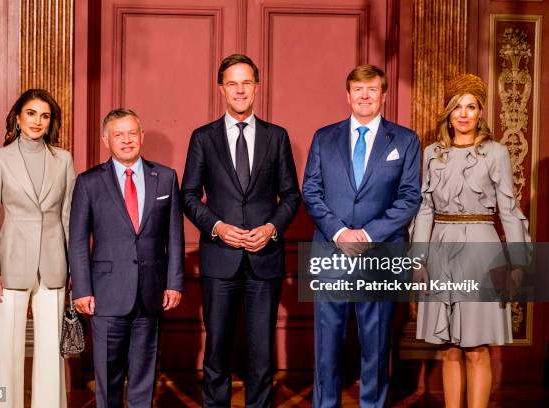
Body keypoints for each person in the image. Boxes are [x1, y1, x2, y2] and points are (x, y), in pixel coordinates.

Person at [181, 54, 300, 407]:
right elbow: (188, 195)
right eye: (232, 83)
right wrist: (216, 227)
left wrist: (271, 229)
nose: (240, 89)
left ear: (257, 87)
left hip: (265, 258)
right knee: (217, 346)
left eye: (246, 82)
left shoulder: (277, 137)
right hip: (220, 258)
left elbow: (292, 195)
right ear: (222, 89)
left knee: (261, 349)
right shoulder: (202, 138)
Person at [302, 64, 421, 407]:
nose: (365, 96)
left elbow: (410, 196)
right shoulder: (324, 137)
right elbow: (311, 191)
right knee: (326, 348)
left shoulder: (405, 140)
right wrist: (339, 232)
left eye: (372, 89)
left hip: (380, 254)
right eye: (358, 89)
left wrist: (367, 234)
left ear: (383, 95)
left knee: (377, 344)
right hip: (330, 253)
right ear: (348, 95)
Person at [410, 74, 530, 408]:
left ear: (480, 113)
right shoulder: (432, 153)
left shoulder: (496, 153)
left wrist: (518, 262)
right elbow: (424, 208)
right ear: (448, 113)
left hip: (481, 249)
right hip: (441, 247)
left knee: (476, 348)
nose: (463, 114)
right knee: (448, 346)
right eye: (457, 107)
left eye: (471, 107)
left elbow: (508, 208)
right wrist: (418, 259)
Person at [69, 109, 184, 408]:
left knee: (145, 374)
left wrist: (174, 284)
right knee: (107, 375)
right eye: (118, 134)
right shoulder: (88, 182)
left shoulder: (166, 178)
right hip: (106, 293)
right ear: (106, 140)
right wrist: (81, 289)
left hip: (151, 291)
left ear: (142, 136)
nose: (127, 140)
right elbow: (79, 241)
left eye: (132, 133)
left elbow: (175, 236)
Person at [0, 89, 75, 408]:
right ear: (18, 118)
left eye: (44, 116)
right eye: (31, 113)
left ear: (50, 123)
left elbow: (69, 217)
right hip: (10, 265)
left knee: (51, 349)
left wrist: (73, 267)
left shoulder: (63, 160)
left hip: (53, 264)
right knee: (7, 348)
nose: (37, 121)